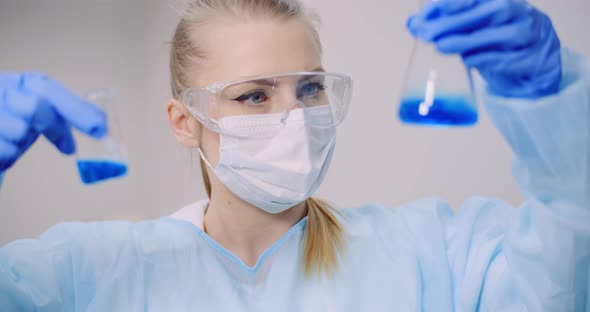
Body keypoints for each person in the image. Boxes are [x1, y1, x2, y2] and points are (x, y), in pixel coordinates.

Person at [1, 0, 588, 310]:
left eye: (309, 89)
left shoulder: (431, 254)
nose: (295, 119)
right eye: (254, 95)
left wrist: (552, 101)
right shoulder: (88, 274)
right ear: (185, 123)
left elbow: (563, 271)